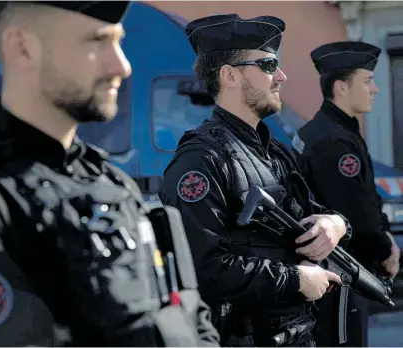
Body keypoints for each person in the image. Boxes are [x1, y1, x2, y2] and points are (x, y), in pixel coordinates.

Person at [0, 1, 220, 346]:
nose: (121, 65)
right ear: (23, 48)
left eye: (118, 41)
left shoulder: (112, 181)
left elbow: (189, 315)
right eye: (96, 41)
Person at [159, 14, 352, 347]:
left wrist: (335, 223)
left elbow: (313, 213)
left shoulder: (274, 151)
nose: (281, 76)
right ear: (230, 76)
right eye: (268, 64)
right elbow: (204, 269)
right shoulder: (201, 160)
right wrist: (294, 279)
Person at [292, 41, 401, 347]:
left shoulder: (332, 130)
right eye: (367, 81)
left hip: (339, 273)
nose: (375, 89)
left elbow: (365, 198)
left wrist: (386, 236)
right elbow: (353, 213)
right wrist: (386, 250)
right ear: (341, 87)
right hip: (340, 276)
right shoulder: (333, 139)